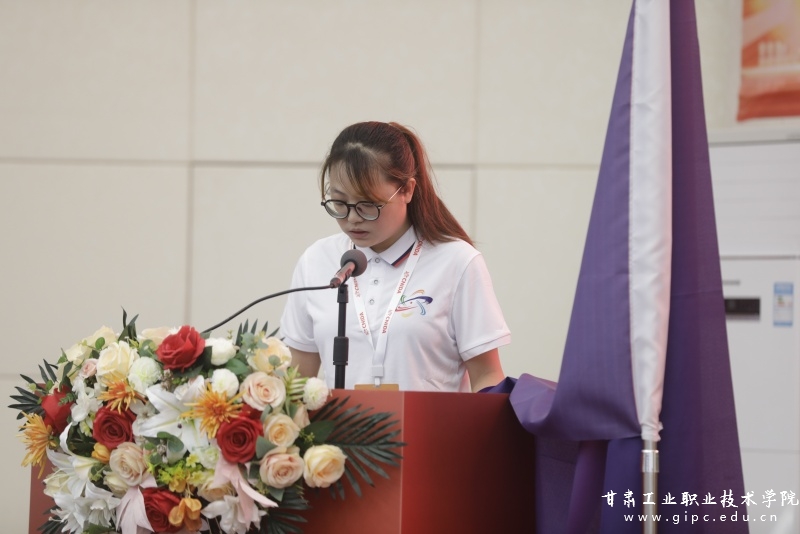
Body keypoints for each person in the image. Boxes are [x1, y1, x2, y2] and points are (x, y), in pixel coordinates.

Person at [280, 121, 510, 392]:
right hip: (341, 423)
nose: (352, 218)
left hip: (428, 422)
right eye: (339, 203)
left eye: (368, 204)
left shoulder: (457, 262)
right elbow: (297, 380)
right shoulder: (316, 260)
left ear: (408, 190)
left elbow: (487, 376)